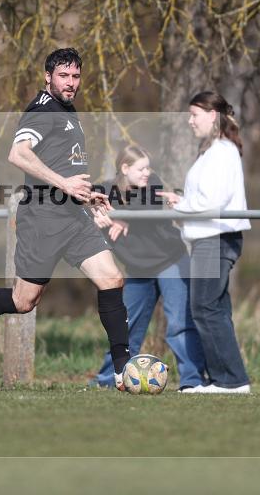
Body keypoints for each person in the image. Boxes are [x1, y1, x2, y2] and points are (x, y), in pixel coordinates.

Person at [0, 48, 131, 388]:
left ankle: (123, 371)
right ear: (48, 77)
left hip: (72, 218)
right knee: (23, 301)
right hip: (42, 219)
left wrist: (86, 196)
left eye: (75, 76)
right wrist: (64, 185)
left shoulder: (68, 112)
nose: (71, 82)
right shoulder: (42, 110)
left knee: (111, 279)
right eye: (64, 76)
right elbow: (18, 154)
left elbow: (65, 170)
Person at [90, 145, 209, 392]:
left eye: (148, 167)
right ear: (124, 169)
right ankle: (109, 379)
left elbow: (147, 207)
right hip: (138, 268)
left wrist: (119, 215)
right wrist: (101, 220)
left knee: (179, 323)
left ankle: (192, 380)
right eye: (140, 168)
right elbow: (89, 208)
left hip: (171, 261)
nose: (147, 172)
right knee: (126, 325)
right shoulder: (105, 191)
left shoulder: (152, 184)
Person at [158, 91, 252, 394]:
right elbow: (204, 199)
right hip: (207, 238)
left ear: (213, 115)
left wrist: (181, 206)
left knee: (204, 307)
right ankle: (227, 379)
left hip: (216, 238)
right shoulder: (211, 151)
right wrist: (182, 202)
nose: (189, 121)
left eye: (194, 114)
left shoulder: (222, 151)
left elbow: (212, 201)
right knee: (214, 309)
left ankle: (231, 381)